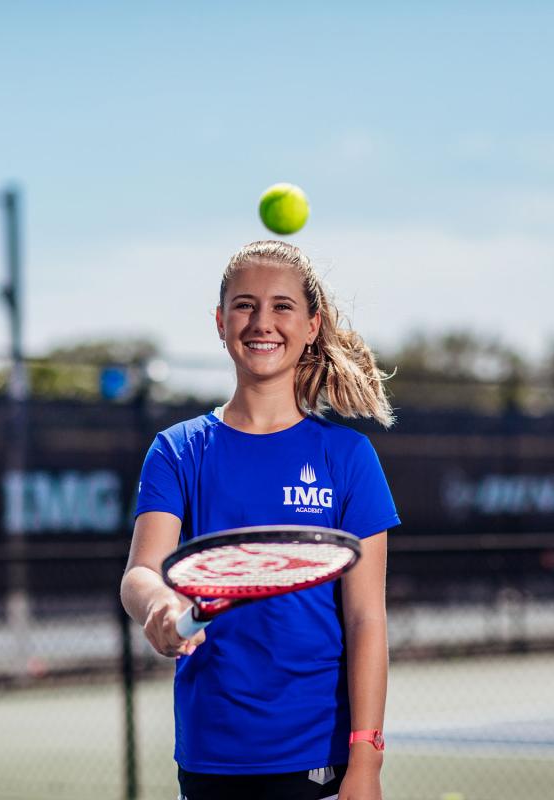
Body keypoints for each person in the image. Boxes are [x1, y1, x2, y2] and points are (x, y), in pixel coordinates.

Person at [120, 240, 399, 800]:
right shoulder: (177, 450)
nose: (261, 322)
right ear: (220, 323)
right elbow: (141, 573)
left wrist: (365, 759)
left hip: (318, 756)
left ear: (313, 324)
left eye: (282, 306)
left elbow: (367, 619)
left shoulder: (347, 457)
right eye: (244, 306)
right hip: (210, 755)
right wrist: (160, 604)